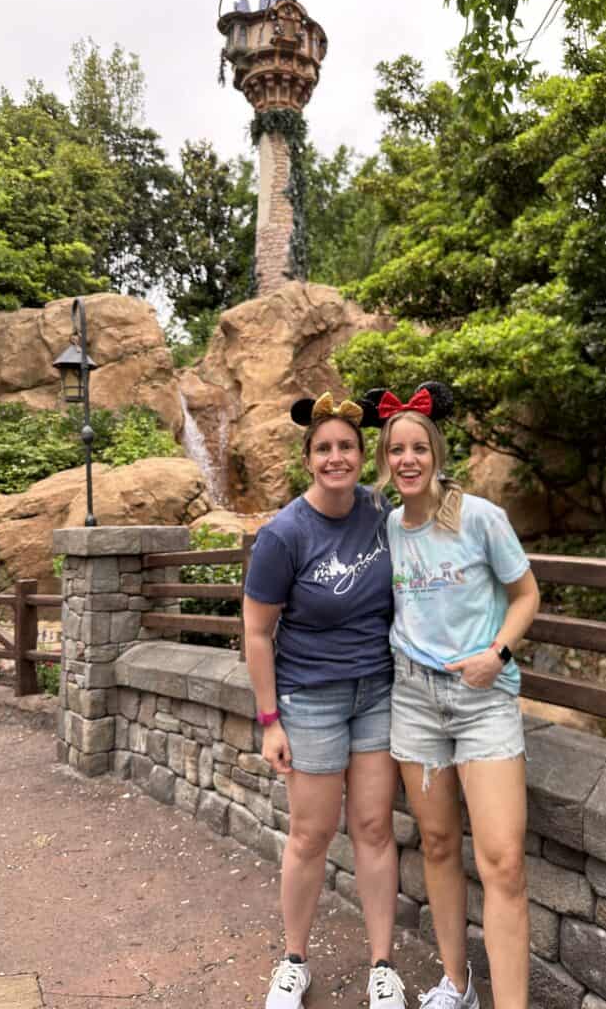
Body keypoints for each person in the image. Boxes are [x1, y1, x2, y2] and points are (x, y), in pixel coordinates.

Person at [369, 382, 540, 1009]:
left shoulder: (479, 518)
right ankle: (458, 985)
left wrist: (496, 656)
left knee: (502, 862)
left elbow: (527, 595)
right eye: (395, 450)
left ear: (436, 454)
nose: (407, 460)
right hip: (414, 704)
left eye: (418, 448)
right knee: (438, 844)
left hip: (482, 701)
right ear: (385, 460)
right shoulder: (389, 527)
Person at [243, 392, 406, 1009]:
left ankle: (383, 966)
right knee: (312, 834)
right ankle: (293, 960)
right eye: (324, 448)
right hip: (309, 696)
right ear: (308, 458)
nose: (336, 457)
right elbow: (257, 631)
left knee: (373, 827)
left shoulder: (377, 510)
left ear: (364, 457)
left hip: (377, 693)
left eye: (346, 447)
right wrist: (268, 720)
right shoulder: (285, 533)